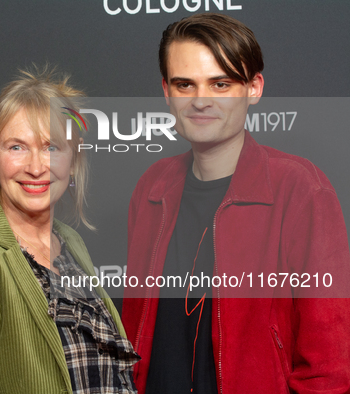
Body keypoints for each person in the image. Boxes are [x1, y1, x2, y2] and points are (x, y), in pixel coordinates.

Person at [122, 13, 350, 394]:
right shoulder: (153, 187)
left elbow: (328, 365)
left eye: (220, 83)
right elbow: (134, 331)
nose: (200, 101)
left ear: (254, 88)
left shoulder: (300, 189)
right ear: (166, 91)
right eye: (184, 84)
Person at [0, 66, 138, 394]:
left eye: (51, 147)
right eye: (17, 147)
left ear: (73, 157)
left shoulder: (69, 243)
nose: (36, 167)